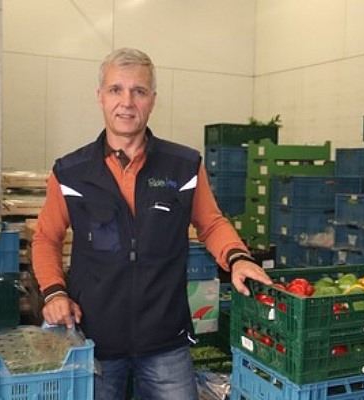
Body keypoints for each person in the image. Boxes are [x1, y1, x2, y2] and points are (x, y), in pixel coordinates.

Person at [32, 47, 273, 400]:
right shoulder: (71, 172)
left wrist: (238, 258)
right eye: (116, 89)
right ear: (100, 96)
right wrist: (55, 292)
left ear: (153, 100)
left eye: (139, 91)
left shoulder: (183, 166)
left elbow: (211, 223)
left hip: (164, 340)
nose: (127, 102)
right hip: (93, 337)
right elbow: (46, 238)